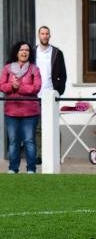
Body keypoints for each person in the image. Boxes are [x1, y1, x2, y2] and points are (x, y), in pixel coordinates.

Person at [1, 41, 42, 174]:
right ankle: (13, 168)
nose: (24, 52)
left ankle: (31, 169)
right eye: (21, 50)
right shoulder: (7, 68)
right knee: (13, 141)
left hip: (30, 112)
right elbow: (2, 86)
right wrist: (11, 86)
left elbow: (36, 87)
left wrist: (20, 87)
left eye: (27, 50)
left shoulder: (34, 69)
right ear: (16, 52)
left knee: (29, 140)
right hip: (11, 112)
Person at [35, 25, 68, 164]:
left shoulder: (56, 53)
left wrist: (58, 91)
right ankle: (39, 155)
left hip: (51, 94)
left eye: (47, 33)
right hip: (35, 95)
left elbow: (63, 75)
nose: (45, 36)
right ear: (39, 35)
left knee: (54, 126)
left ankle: (56, 155)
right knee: (37, 128)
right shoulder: (33, 52)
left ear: (50, 35)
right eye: (42, 33)